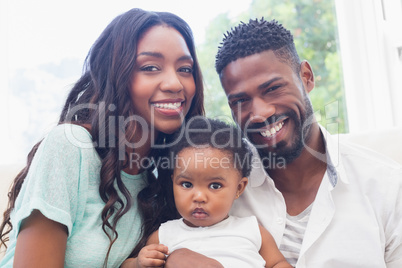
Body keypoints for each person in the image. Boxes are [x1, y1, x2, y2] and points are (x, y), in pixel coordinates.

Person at [0, 8, 205, 267]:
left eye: (185, 69)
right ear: (116, 76)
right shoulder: (70, 145)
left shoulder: (160, 181)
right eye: (150, 67)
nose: (175, 83)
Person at [213, 18, 402, 267]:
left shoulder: (387, 188)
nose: (261, 112)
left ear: (306, 77)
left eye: (273, 88)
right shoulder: (212, 187)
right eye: (241, 101)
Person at [122, 117, 292, 268]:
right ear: (173, 181)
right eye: (187, 184)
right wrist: (138, 263)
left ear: (239, 188)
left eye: (215, 186)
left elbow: (278, 263)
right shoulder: (164, 235)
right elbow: (127, 264)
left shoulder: (252, 229)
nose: (199, 197)